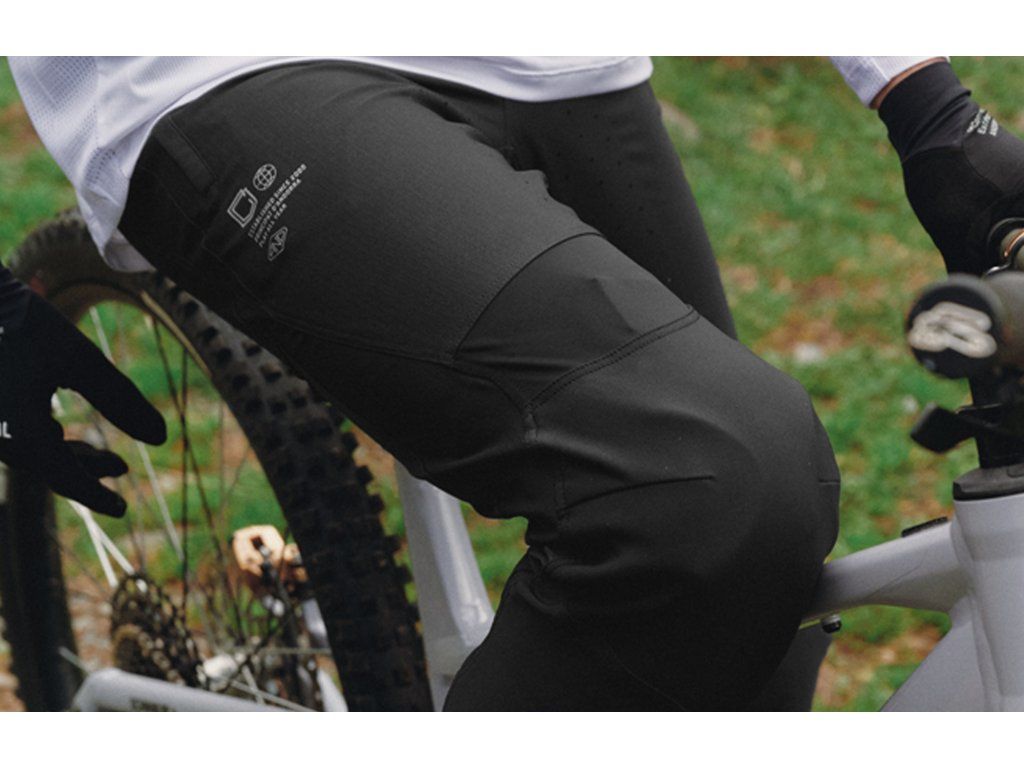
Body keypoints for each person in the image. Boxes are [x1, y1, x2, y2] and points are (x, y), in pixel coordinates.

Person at [1, 56, 1021, 711]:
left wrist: (920, 96)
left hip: (564, 62)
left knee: (739, 620)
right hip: (216, 68)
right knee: (701, 489)